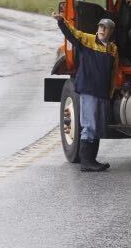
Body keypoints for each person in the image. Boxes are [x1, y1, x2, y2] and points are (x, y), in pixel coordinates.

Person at [51, 13, 119, 172]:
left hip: (102, 92)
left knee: (98, 126)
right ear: (98, 28)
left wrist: (110, 92)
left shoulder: (113, 49)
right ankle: (86, 162)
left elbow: (114, 73)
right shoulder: (87, 40)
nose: (103, 30)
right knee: (90, 125)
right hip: (88, 89)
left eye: (106, 28)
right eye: (101, 27)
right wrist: (62, 21)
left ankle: (91, 160)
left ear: (111, 31)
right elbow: (72, 33)